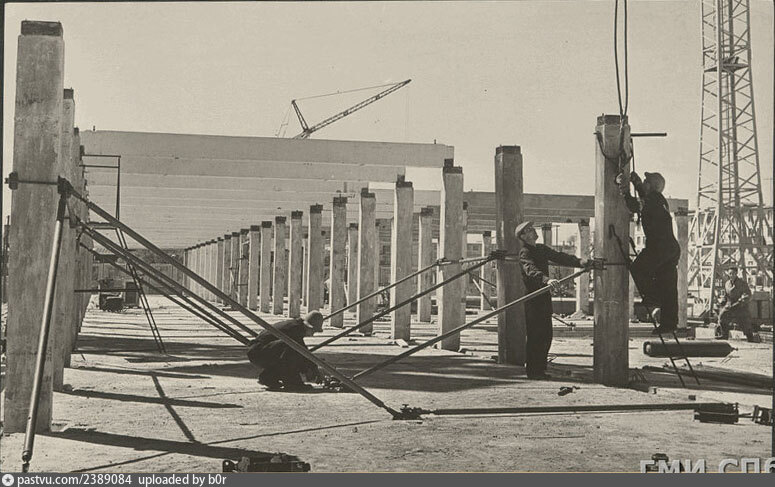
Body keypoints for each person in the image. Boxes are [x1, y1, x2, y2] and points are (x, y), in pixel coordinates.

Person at [516, 221, 591, 379]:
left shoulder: (541, 249)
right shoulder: (525, 252)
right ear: (523, 236)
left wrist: (580, 262)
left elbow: (559, 257)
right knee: (536, 335)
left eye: (532, 228)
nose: (534, 231)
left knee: (546, 335)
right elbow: (530, 270)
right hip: (533, 298)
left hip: (544, 297)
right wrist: (546, 280)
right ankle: (534, 371)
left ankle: (540, 369)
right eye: (529, 230)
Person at [621, 171, 681, 334]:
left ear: (652, 186)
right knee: (668, 285)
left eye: (646, 181)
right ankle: (669, 323)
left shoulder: (652, 199)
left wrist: (625, 191)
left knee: (637, 269)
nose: (644, 183)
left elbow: (634, 206)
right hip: (669, 248)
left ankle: (654, 297)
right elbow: (643, 197)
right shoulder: (658, 199)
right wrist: (636, 183)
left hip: (659, 247)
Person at [247, 310, 324, 391]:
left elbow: (304, 352)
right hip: (259, 352)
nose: (312, 334)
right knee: (292, 349)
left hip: (261, 351)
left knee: (289, 352)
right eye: (313, 331)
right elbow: (301, 351)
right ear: (308, 326)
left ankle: (268, 377)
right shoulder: (295, 329)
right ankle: (292, 383)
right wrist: (313, 369)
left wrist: (313, 367)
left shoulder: (296, 326)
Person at [717, 267, 757, 342]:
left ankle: (750, 338)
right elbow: (726, 295)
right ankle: (724, 335)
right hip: (729, 305)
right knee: (722, 317)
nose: (731, 275)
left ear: (736, 274)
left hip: (740, 306)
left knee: (744, 322)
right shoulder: (727, 284)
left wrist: (740, 301)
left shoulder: (742, 283)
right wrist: (722, 302)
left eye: (733, 273)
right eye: (730, 273)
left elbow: (747, 294)